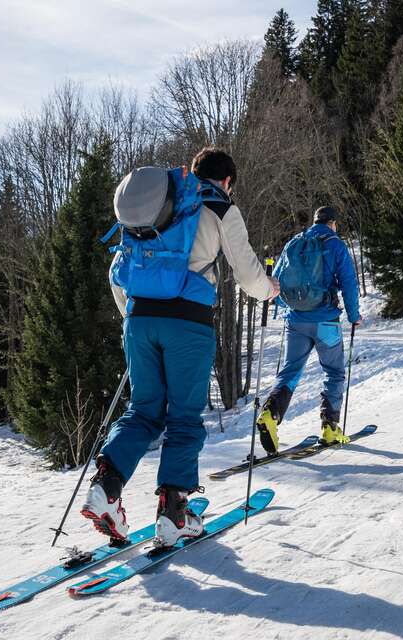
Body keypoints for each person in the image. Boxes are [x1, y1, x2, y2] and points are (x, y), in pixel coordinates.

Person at [81, 147, 279, 547]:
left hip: (139, 319)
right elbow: (248, 274)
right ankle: (173, 513)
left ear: (191, 173)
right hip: (187, 323)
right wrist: (269, 290)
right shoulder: (220, 207)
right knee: (184, 417)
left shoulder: (157, 206)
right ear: (226, 181)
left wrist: (133, 320)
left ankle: (105, 487)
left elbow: (117, 273)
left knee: (144, 411)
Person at [256, 206, 361, 455]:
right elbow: (349, 281)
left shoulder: (296, 241)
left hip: (295, 321)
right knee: (334, 372)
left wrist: (282, 306)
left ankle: (270, 415)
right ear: (332, 223)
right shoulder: (334, 243)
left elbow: (278, 279)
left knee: (290, 371)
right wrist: (354, 316)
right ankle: (329, 427)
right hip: (325, 321)